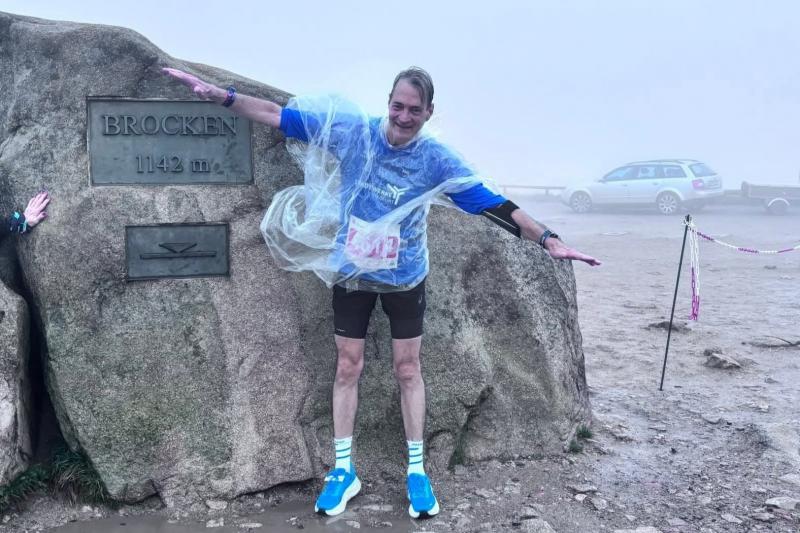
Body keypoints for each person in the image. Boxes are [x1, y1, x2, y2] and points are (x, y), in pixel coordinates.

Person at [163, 66, 600, 518]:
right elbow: (278, 115)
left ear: (429, 112)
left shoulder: (435, 160)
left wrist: (548, 239)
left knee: (408, 369)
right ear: (388, 102)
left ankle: (417, 472)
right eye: (398, 106)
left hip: (404, 278)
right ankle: (343, 471)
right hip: (352, 274)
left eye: (414, 110)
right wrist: (222, 96)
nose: (404, 117)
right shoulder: (355, 133)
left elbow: (493, 204)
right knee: (347, 365)